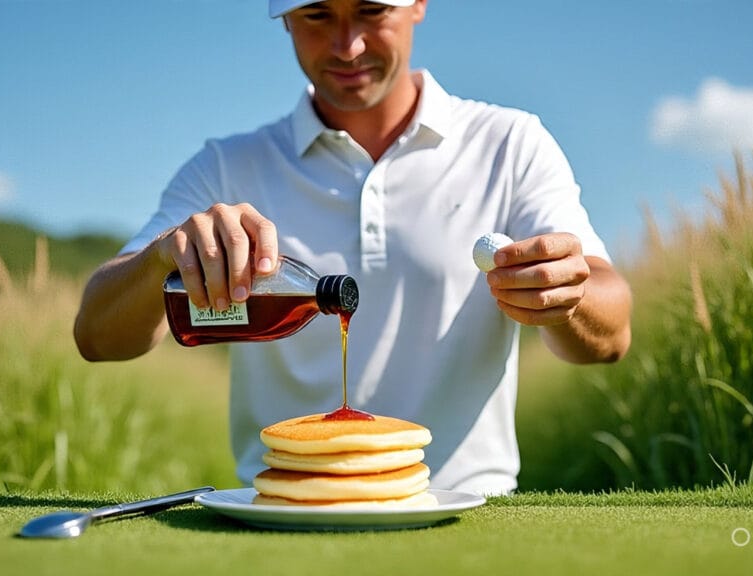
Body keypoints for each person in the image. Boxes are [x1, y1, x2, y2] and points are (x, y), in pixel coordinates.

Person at [74, 0, 632, 496]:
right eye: (317, 15)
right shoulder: (227, 167)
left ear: (418, 4)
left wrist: (566, 295)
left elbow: (612, 337)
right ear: (285, 20)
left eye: (371, 10)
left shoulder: (511, 144)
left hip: (467, 512)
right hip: (283, 511)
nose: (348, 45)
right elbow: (96, 336)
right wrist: (163, 257)